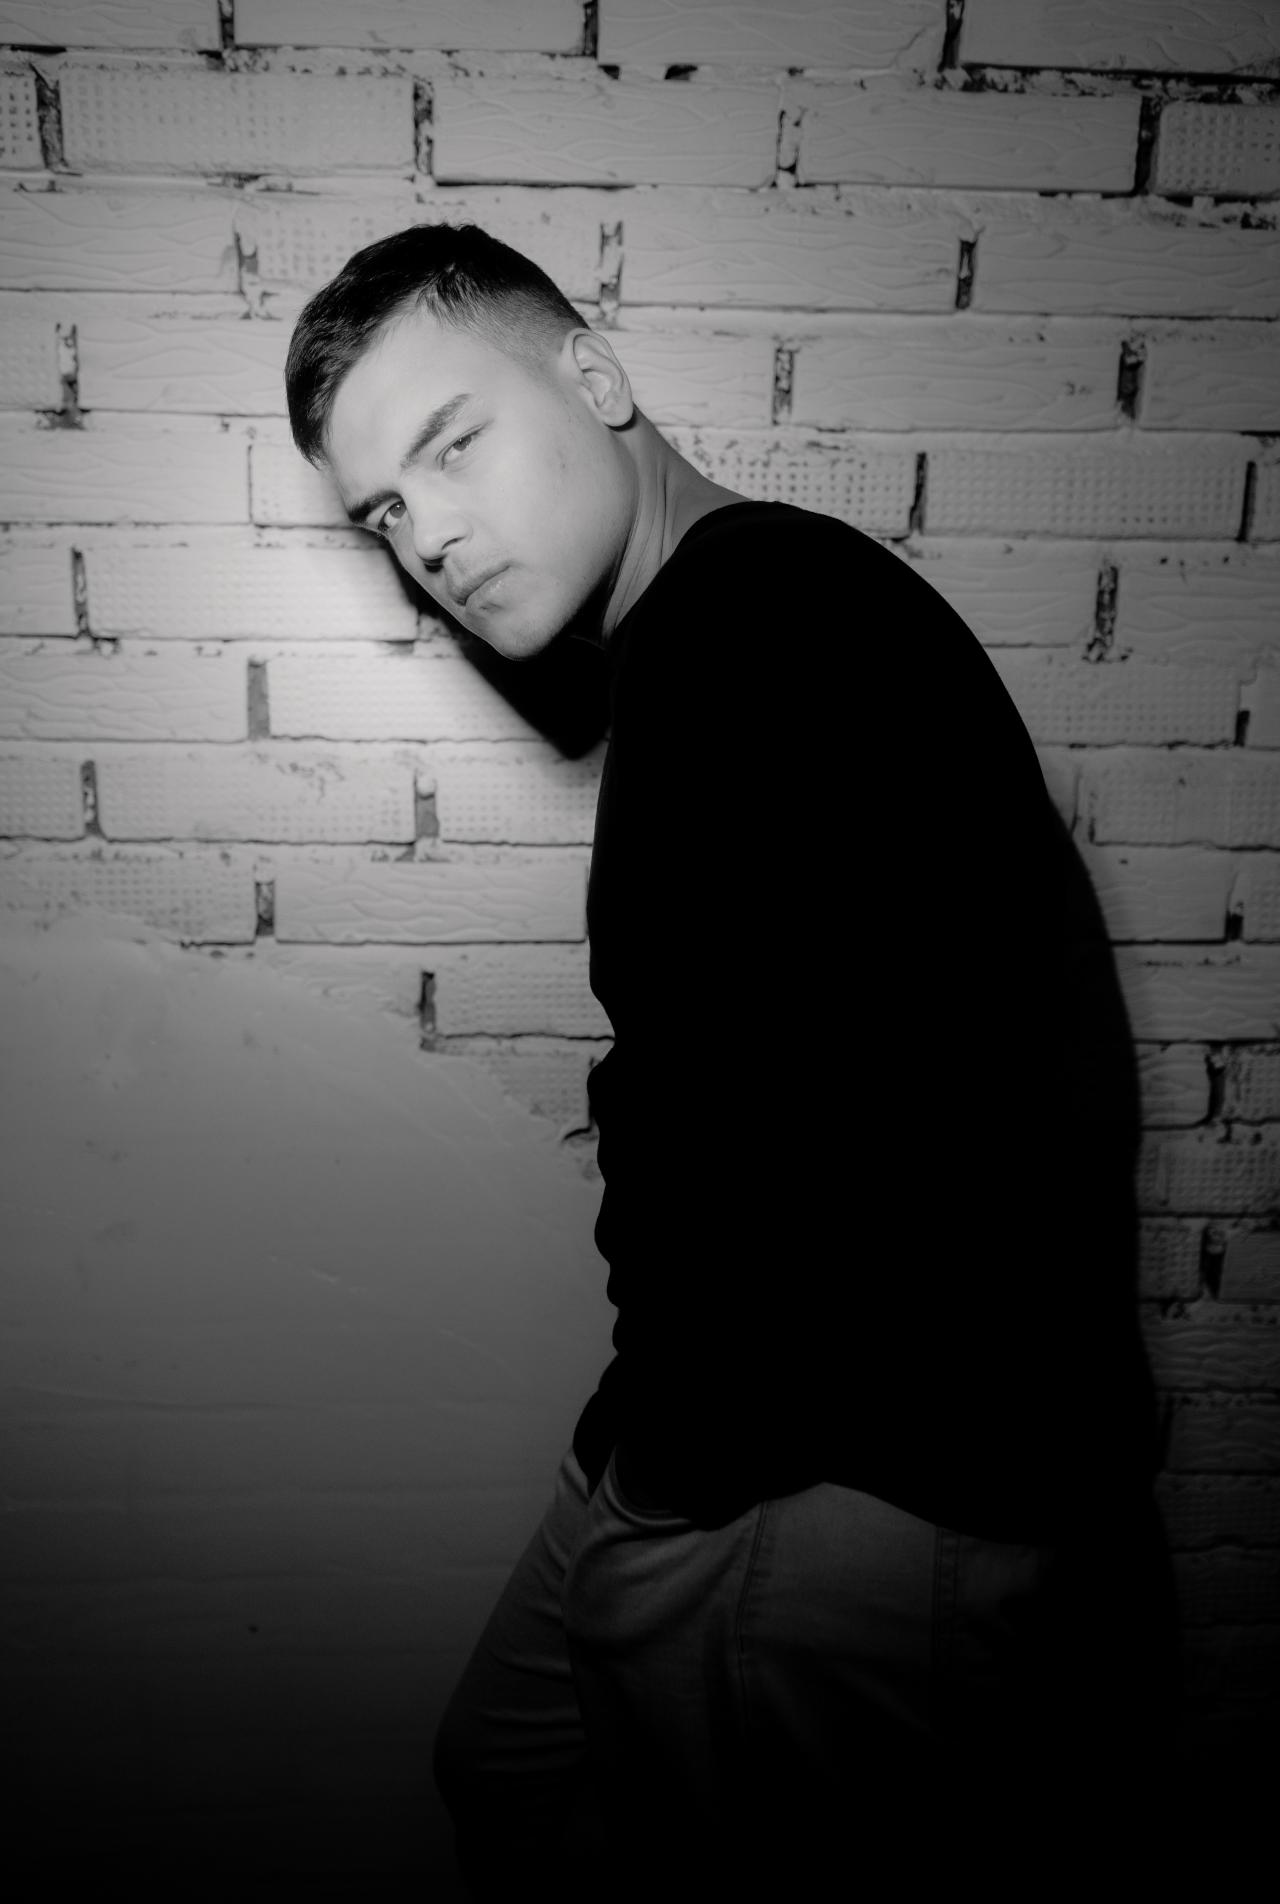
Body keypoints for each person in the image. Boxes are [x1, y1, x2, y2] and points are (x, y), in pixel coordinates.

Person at [285, 224, 1177, 1895]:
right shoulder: (731, 625)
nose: (432, 539)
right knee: (505, 1761)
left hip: (837, 1477)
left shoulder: (759, 623)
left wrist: (680, 1482)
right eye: (384, 515)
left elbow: (804, 1149)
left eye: (453, 444)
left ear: (595, 375)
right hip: (751, 1431)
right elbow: (786, 1075)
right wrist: (630, 1448)